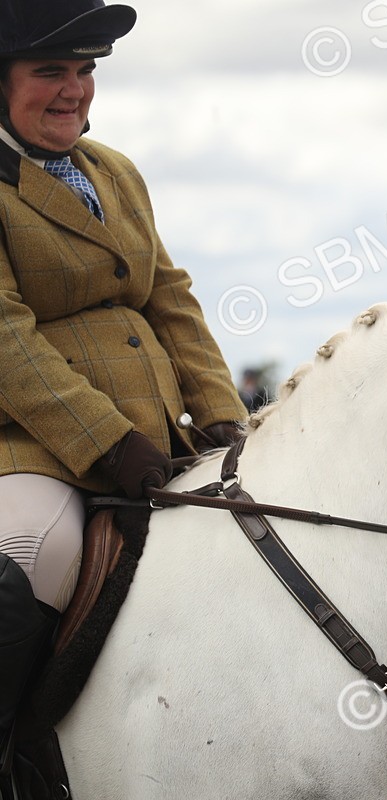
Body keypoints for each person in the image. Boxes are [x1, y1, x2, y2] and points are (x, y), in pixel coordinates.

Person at [0, 0, 247, 762]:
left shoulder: (115, 171)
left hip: (161, 438)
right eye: (50, 72)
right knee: (35, 557)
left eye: (85, 71)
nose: (74, 90)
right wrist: (107, 443)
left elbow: (170, 297)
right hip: (34, 449)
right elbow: (7, 342)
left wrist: (225, 417)